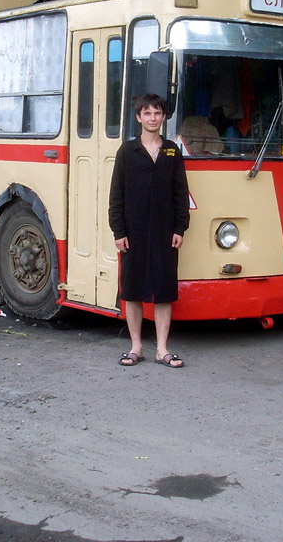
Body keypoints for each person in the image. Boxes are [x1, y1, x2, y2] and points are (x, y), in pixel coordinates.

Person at [109, 93, 190, 367]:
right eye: (147, 113)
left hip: (166, 233)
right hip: (133, 233)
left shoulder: (171, 151)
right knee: (132, 290)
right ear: (138, 117)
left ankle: (162, 349)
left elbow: (181, 194)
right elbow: (116, 197)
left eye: (157, 113)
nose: (152, 118)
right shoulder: (127, 152)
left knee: (164, 290)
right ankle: (136, 347)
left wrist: (180, 228)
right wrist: (118, 231)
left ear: (163, 117)